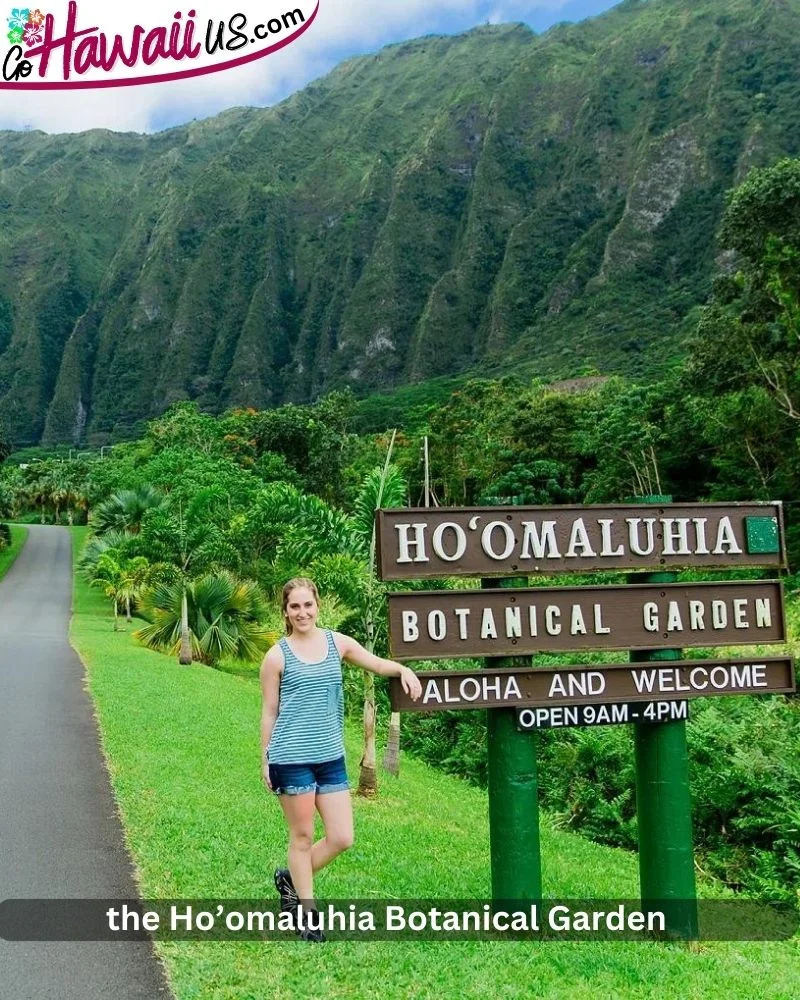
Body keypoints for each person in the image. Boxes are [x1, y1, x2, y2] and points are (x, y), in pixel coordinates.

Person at [260, 577, 422, 942]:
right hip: (291, 756)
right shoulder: (277, 656)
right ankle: (308, 914)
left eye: (307, 604)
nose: (302, 612)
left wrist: (403, 670)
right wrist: (265, 758)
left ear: (317, 605)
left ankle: (289, 878)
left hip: (330, 756)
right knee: (302, 836)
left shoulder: (338, 643)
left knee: (342, 837)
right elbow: (269, 712)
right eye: (294, 606)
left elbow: (376, 664)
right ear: (285, 611)